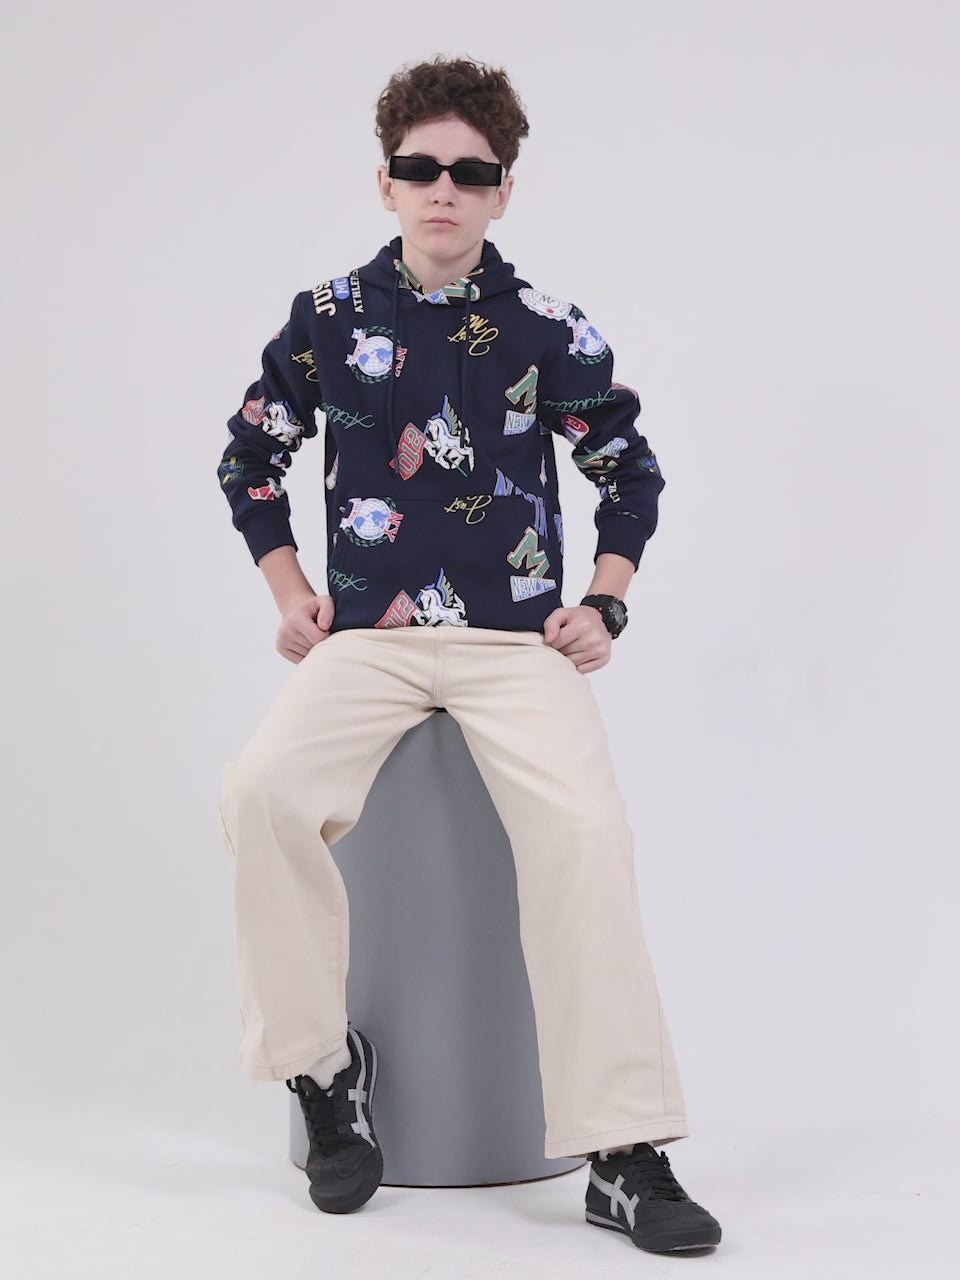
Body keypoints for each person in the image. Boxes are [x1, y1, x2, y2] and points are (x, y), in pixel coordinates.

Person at [217, 56, 722, 1255]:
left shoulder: (546, 325)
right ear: (385, 183)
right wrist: (291, 595)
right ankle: (323, 1073)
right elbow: (251, 456)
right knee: (261, 794)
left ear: (503, 190)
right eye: (420, 167)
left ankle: (622, 1149)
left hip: (513, 642)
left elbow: (628, 470)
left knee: (586, 834)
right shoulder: (327, 318)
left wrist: (605, 603)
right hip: (368, 642)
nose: (443, 189)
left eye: (470, 171)